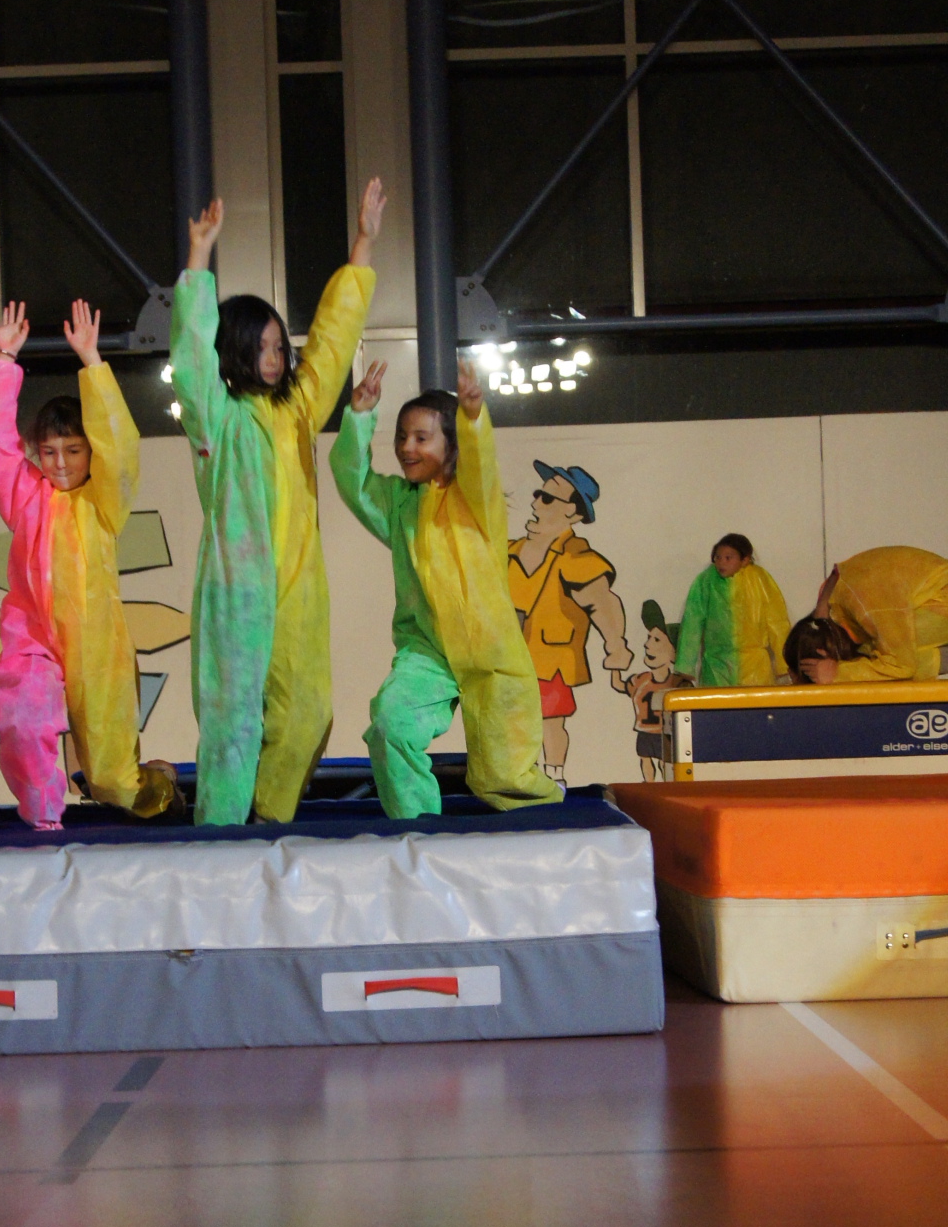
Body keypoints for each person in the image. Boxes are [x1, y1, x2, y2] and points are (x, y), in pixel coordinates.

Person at [170, 181, 385, 825]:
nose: (273, 358)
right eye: (260, 347)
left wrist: (364, 243)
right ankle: (221, 834)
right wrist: (198, 260)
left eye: (278, 347)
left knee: (308, 713)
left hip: (299, 588)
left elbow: (333, 341)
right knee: (232, 720)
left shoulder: (296, 409)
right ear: (235, 350)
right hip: (237, 590)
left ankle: (266, 819)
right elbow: (191, 360)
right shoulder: (217, 416)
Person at [329, 360, 561, 819]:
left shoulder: (476, 499)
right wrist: (359, 417)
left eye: (421, 438)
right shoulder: (400, 503)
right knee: (392, 723)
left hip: (491, 652)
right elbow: (352, 479)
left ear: (451, 446)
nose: (406, 447)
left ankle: (550, 827)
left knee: (504, 776)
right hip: (427, 652)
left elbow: (480, 464)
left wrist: (473, 418)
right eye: (401, 437)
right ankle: (418, 829)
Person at [0, 299, 178, 829]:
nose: (61, 463)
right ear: (36, 453)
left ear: (90, 453)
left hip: (97, 645)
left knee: (113, 783)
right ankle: (45, 821)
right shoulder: (26, 497)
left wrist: (92, 362)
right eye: (48, 452)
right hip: (33, 637)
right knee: (23, 720)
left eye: (73, 450)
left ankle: (160, 783)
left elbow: (121, 446)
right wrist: (4, 360)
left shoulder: (103, 501)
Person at [508, 461, 632, 785]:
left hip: (549, 659)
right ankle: (516, 778)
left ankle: (554, 777)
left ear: (572, 513)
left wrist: (616, 646)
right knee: (510, 723)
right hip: (507, 662)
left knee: (549, 720)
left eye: (548, 498)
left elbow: (603, 603)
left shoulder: (575, 556)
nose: (536, 503)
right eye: (537, 494)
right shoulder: (509, 551)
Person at [783, 545, 948, 684]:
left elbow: (901, 666)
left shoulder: (865, 608)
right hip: (940, 591)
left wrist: (838, 673)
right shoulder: (832, 607)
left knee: (890, 667)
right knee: (875, 659)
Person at [674, 533, 791, 686]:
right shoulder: (706, 581)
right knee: (718, 700)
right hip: (716, 665)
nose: (721, 562)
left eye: (728, 558)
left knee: (754, 701)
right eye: (718, 557)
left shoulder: (760, 579)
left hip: (755, 667)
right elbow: (692, 623)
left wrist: (785, 663)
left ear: (745, 560)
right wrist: (685, 665)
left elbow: (777, 622)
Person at [614, 600, 691, 782]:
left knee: (665, 762)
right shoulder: (640, 680)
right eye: (649, 638)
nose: (647, 645)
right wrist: (615, 664)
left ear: (673, 653)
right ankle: (648, 784)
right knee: (645, 757)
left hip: (665, 733)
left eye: (656, 640)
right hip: (645, 731)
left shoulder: (678, 683)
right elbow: (619, 685)